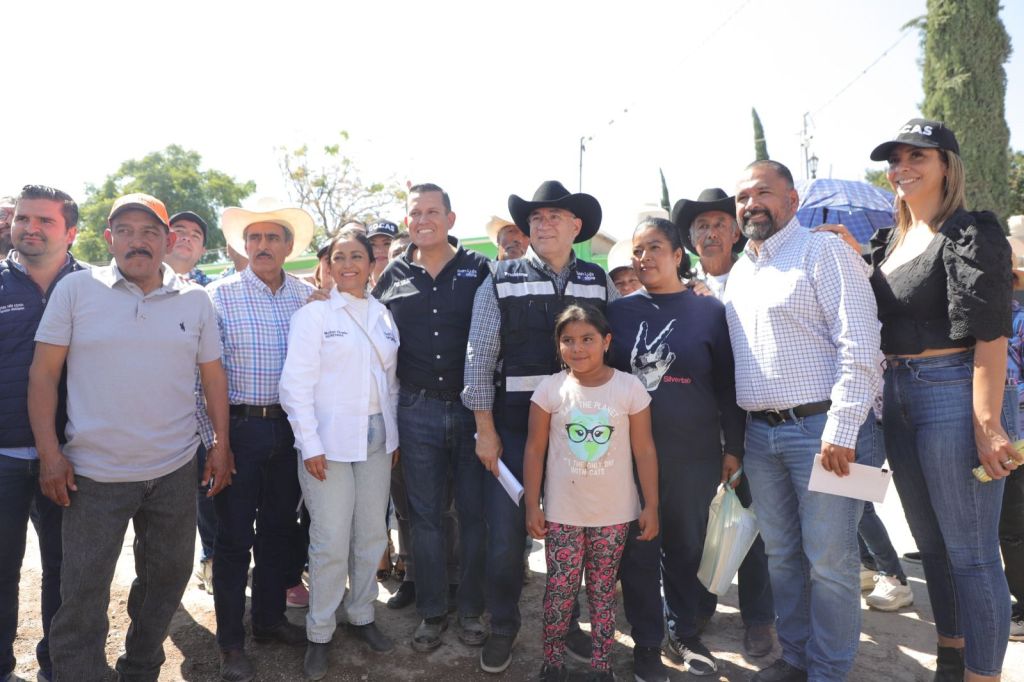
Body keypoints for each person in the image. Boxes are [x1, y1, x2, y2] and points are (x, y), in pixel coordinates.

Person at [28, 192, 232, 681]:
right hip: (94, 475)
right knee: (82, 593)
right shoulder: (77, 290)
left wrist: (221, 444)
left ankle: (141, 666)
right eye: (126, 231)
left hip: (174, 470)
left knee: (166, 580)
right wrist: (50, 455)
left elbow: (213, 376)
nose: (137, 242)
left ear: (168, 240)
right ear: (109, 238)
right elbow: (43, 375)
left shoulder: (196, 299)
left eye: (149, 232)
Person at [723, 161, 882, 682]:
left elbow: (861, 345)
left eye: (762, 193)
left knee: (832, 563)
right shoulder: (740, 269)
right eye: (743, 196)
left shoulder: (825, 250)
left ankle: (830, 672)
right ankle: (794, 660)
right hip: (760, 437)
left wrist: (842, 430)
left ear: (792, 199)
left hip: (825, 434)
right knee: (782, 557)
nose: (751, 204)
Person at [867, 118, 1015, 680]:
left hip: (954, 393)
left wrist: (987, 421)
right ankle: (951, 659)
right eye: (895, 160)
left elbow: (990, 336)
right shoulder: (892, 238)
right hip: (898, 393)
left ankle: (984, 674)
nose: (901, 169)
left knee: (973, 556)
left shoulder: (971, 232)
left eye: (917, 158)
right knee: (931, 546)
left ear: (947, 165)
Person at [602, 215, 768, 678]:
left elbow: (727, 386)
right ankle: (647, 643)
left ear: (678, 255)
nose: (644, 258)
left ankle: (684, 630)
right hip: (629, 456)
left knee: (685, 546)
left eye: (655, 248)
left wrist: (732, 449)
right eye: (638, 250)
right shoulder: (618, 312)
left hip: (693, 454)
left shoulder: (709, 312)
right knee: (637, 549)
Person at [464, 180, 616, 674]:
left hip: (582, 433)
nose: (543, 224)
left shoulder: (599, 280)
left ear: (576, 227)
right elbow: (480, 358)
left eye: (554, 216)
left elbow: (620, 355)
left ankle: (566, 623)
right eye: (535, 218)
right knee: (507, 539)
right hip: (513, 430)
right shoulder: (500, 279)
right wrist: (485, 429)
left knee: (569, 537)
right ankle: (503, 626)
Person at [199, 198, 316, 682]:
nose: (262, 246)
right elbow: (202, 376)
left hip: (289, 431)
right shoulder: (218, 296)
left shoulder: (307, 297)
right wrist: (216, 443)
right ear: (243, 246)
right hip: (239, 431)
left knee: (278, 534)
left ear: (289, 247)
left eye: (272, 238)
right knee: (231, 541)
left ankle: (269, 622)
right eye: (254, 238)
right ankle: (230, 643)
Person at [372, 184, 489, 652]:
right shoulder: (392, 276)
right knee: (424, 517)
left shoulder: (480, 269)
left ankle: (472, 610)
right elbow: (366, 324)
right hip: (415, 408)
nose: (424, 219)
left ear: (451, 219)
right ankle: (432, 612)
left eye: (433, 211)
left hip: (470, 407)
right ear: (407, 222)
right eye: (415, 212)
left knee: (474, 515)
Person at [279, 228, 401, 679]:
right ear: (327, 266)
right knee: (329, 540)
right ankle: (320, 631)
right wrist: (309, 443)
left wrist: (393, 439)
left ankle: (363, 614)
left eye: (357, 256)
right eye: (339, 257)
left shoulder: (385, 316)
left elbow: (390, 383)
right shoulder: (312, 317)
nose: (348, 264)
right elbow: (295, 385)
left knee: (370, 534)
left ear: (372, 264)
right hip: (326, 443)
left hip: (375, 438)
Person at [524, 303, 659, 682]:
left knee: (603, 592)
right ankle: (552, 663)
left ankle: (602, 666)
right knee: (560, 590)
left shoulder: (629, 387)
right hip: (562, 513)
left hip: (614, 514)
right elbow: (534, 449)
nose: (577, 348)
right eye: (568, 340)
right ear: (558, 345)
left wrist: (652, 505)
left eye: (587, 339)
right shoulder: (550, 389)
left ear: (606, 341)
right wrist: (532, 504)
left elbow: (644, 449)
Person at [1, 185, 85, 682]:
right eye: (23, 219)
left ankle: (57, 666)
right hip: (4, 456)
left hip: (72, 456)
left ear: (70, 231)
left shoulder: (95, 288)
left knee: (65, 570)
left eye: (45, 221)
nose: (30, 228)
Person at [167, 210, 212, 285]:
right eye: (179, 231)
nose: (187, 237)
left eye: (195, 236)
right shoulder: (142, 276)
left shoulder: (211, 291)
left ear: (202, 251)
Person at [366, 219, 399, 288]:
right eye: (372, 244)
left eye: (387, 243)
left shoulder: (411, 283)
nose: (379, 250)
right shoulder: (356, 286)